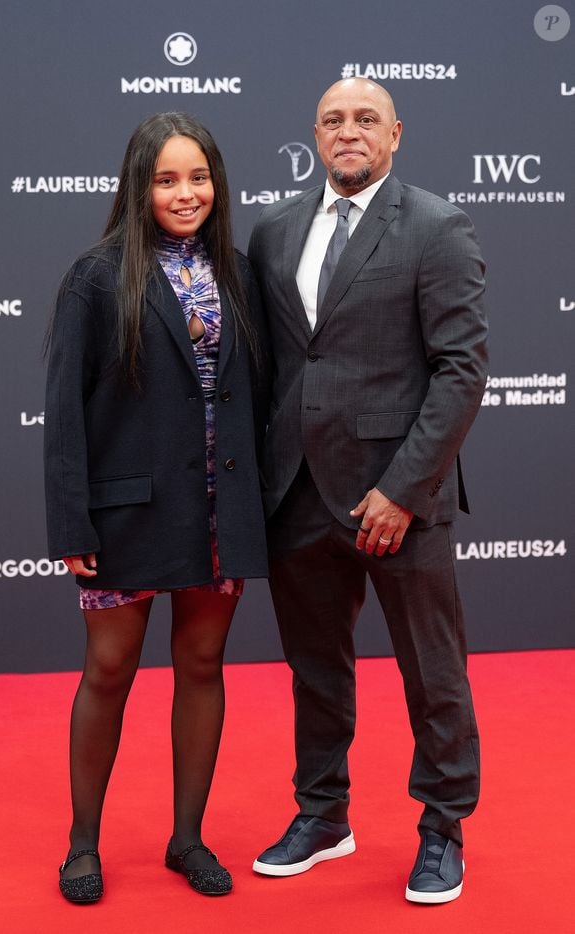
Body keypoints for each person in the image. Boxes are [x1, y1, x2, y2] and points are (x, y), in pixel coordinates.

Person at [247, 78, 488, 904]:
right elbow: (276, 366)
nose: (348, 133)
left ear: (395, 133)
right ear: (315, 135)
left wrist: (403, 488)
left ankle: (442, 828)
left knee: (433, 671)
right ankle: (323, 815)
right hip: (298, 494)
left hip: (398, 498)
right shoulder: (275, 230)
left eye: (365, 120)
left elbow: (461, 370)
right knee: (315, 669)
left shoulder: (435, 226)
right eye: (332, 121)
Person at [44, 112, 268, 902]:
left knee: (202, 666)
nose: (185, 192)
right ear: (139, 186)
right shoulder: (96, 276)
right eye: (167, 178)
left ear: (218, 184)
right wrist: (71, 519)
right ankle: (81, 845)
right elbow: (65, 410)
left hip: (218, 508)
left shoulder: (238, 273)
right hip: (126, 512)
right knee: (108, 672)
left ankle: (187, 839)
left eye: (198, 177)